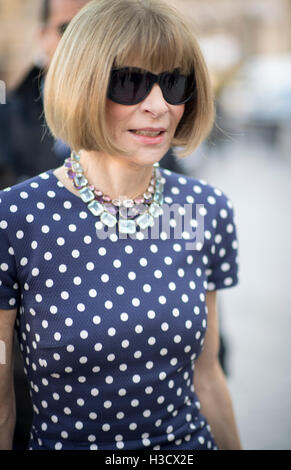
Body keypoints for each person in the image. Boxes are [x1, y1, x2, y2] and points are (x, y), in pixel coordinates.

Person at [0, 0, 241, 451]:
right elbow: (2, 405)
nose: (158, 106)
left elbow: (207, 376)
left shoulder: (205, 208)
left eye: (174, 83)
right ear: (82, 86)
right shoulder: (14, 218)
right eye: (130, 82)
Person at [0, 0, 183, 190]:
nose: (91, 46)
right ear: (42, 36)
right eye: (71, 30)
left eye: (106, 33)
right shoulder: (6, 121)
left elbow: (177, 207)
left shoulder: (148, 113)